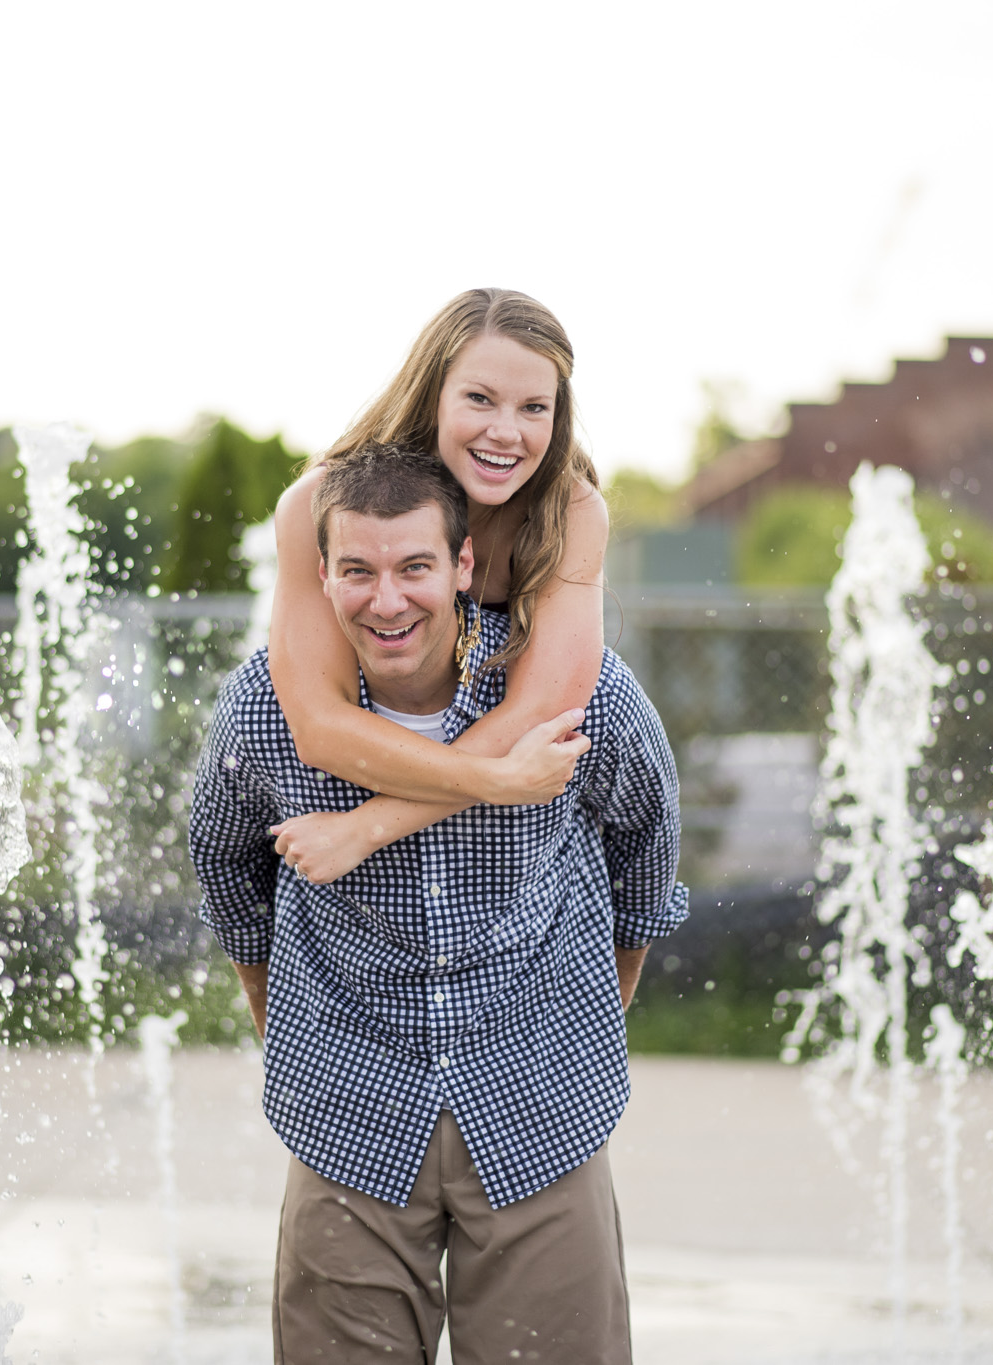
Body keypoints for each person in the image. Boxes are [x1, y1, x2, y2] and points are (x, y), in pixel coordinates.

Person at [189, 443, 687, 1362]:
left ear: (462, 566)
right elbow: (230, 881)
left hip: (543, 1110)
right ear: (322, 575)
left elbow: (646, 862)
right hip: (347, 1117)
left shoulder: (577, 696)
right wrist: (291, 1031)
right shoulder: (264, 713)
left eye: (415, 566)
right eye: (358, 571)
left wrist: (583, 1024)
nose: (388, 600)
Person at [265, 288, 610, 886]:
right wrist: (500, 782)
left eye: (534, 407)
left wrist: (364, 829)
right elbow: (320, 728)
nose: (507, 432)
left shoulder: (569, 510)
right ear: (434, 395)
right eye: (480, 399)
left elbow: (544, 712)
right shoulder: (317, 505)